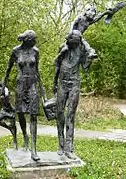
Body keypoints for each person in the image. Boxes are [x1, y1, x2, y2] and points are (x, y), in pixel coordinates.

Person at [53, 30, 97, 159]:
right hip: (62, 83)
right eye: (73, 43)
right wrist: (54, 83)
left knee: (70, 115)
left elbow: (84, 68)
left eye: (77, 43)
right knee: (59, 113)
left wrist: (89, 60)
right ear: (69, 40)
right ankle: (60, 145)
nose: (75, 45)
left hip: (74, 84)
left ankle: (69, 148)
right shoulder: (63, 47)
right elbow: (56, 64)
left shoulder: (81, 49)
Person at [3, 30, 40, 161]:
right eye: (33, 40)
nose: (35, 42)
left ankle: (34, 149)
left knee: (33, 115)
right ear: (28, 40)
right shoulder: (16, 51)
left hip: (32, 85)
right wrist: (3, 85)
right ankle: (25, 136)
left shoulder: (35, 51)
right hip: (20, 85)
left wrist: (42, 88)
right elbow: (8, 68)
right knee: (20, 113)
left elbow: (37, 70)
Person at [0, 79, 17, 149]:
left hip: (10, 110)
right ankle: (9, 128)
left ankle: (15, 142)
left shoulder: (5, 90)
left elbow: (7, 97)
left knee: (14, 127)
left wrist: (5, 92)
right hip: (3, 110)